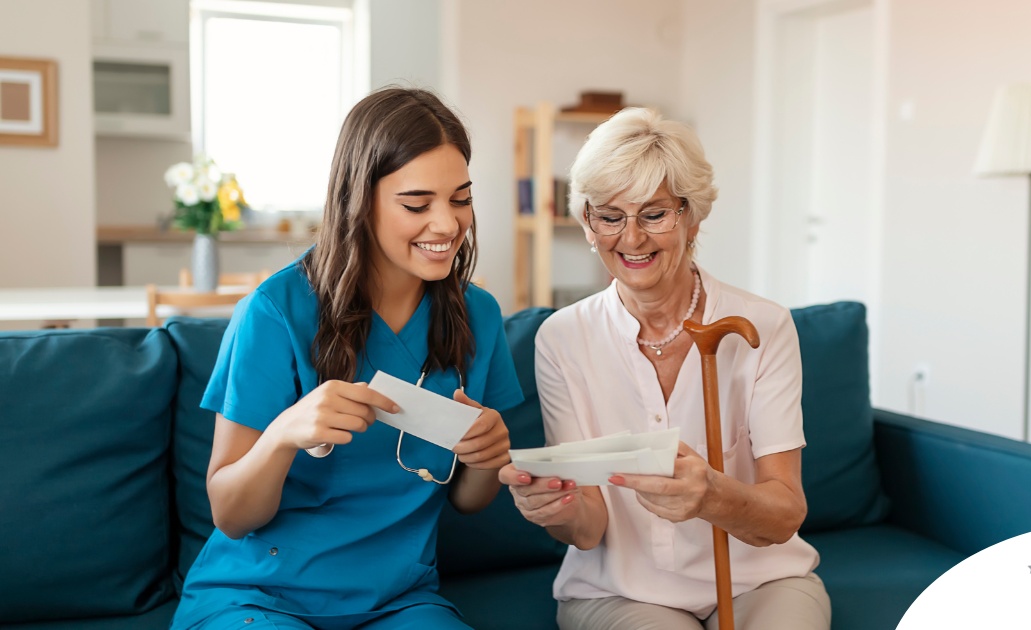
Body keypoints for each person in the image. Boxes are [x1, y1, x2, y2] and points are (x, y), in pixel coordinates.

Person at [172, 87, 524, 629]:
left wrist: (488, 456)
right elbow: (231, 513)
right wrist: (284, 433)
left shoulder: (477, 315)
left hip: (398, 600)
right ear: (359, 199)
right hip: (260, 597)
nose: (448, 224)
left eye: (461, 199)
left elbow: (469, 501)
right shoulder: (275, 312)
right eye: (417, 204)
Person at [499, 108, 831, 630]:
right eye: (610, 216)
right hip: (620, 591)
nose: (631, 240)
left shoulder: (763, 326)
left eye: (654, 215)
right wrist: (556, 510)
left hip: (761, 579)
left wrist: (714, 496)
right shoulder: (563, 339)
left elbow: (785, 513)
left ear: (693, 216)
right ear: (588, 223)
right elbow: (587, 532)